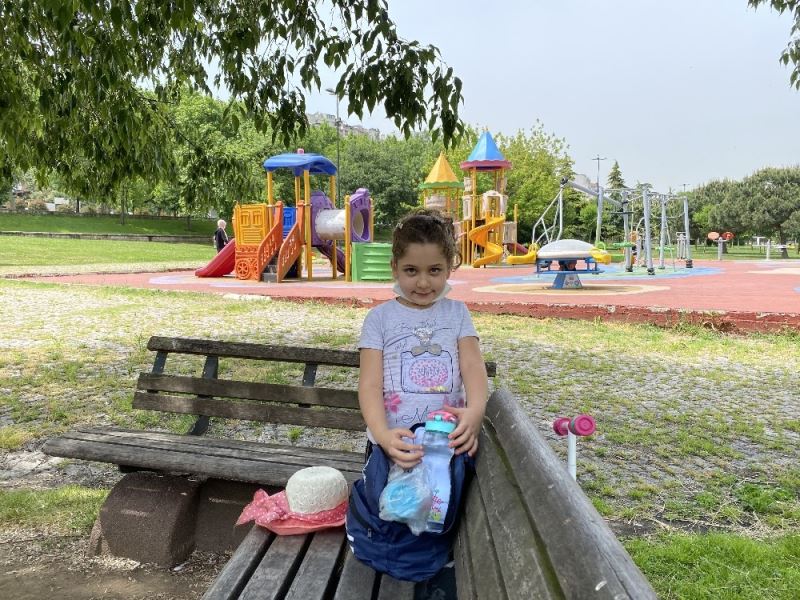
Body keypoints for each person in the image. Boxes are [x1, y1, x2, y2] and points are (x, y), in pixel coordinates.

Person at [358, 209, 489, 470]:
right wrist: (383, 436)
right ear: (394, 268)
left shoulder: (457, 313)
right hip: (393, 447)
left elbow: (473, 366)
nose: (423, 282)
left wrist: (476, 411)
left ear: (449, 268)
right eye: (411, 270)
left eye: (434, 270)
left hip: (447, 445)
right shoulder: (379, 319)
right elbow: (370, 385)